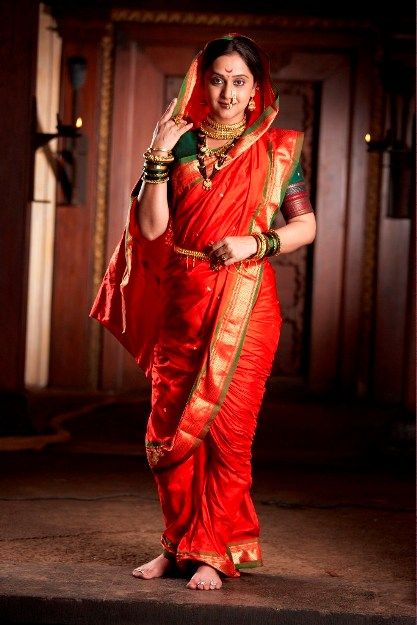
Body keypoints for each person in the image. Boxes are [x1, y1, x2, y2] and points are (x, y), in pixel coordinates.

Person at [90, 33, 316, 591]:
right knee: (168, 430)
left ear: (257, 88)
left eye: (240, 82)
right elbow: (150, 229)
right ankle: (175, 545)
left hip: (246, 302)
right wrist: (158, 156)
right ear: (200, 81)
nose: (228, 92)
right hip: (182, 300)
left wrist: (254, 245)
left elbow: (306, 226)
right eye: (218, 79)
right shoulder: (179, 144)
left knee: (228, 434)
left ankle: (214, 550)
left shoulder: (277, 150)